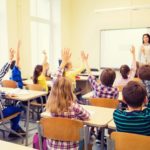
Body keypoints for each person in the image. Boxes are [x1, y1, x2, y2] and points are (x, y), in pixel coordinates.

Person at [46, 77, 90, 150]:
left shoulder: (50, 106)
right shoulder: (73, 106)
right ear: (70, 90)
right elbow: (87, 116)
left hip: (52, 146)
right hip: (71, 147)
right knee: (86, 133)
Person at [0, 49, 25, 137]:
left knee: (11, 106)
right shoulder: (16, 70)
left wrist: (4, 95)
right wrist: (10, 59)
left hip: (2, 109)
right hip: (1, 113)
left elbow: (2, 73)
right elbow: (2, 73)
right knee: (18, 108)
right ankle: (14, 129)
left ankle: (15, 129)